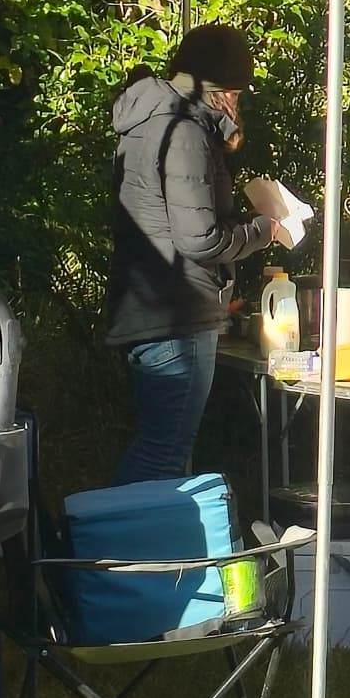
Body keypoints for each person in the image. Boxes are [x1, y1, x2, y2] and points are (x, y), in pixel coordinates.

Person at [104, 24, 271, 486]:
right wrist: (266, 229)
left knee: (161, 448)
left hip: (149, 306)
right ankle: (117, 554)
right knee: (163, 453)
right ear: (222, 89)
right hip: (178, 316)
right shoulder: (184, 132)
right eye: (237, 92)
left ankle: (135, 552)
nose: (240, 101)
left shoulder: (149, 119)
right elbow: (199, 239)